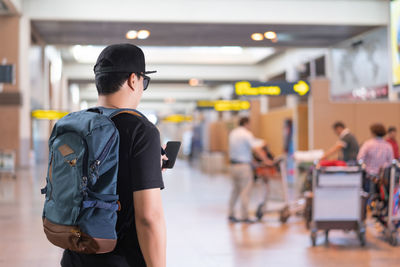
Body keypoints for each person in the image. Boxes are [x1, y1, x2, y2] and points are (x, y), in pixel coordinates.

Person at [61, 44, 166, 267]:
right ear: (133, 80)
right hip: (120, 259)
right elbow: (149, 217)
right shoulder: (140, 130)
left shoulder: (76, 123)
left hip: (74, 256)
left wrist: (150, 168)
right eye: (143, 81)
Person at [228, 117, 273, 223]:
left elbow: (241, 150)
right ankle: (244, 216)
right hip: (243, 167)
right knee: (245, 191)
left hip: (233, 166)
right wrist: (266, 160)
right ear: (246, 123)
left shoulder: (233, 133)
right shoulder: (246, 134)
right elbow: (256, 148)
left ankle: (231, 214)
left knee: (235, 191)